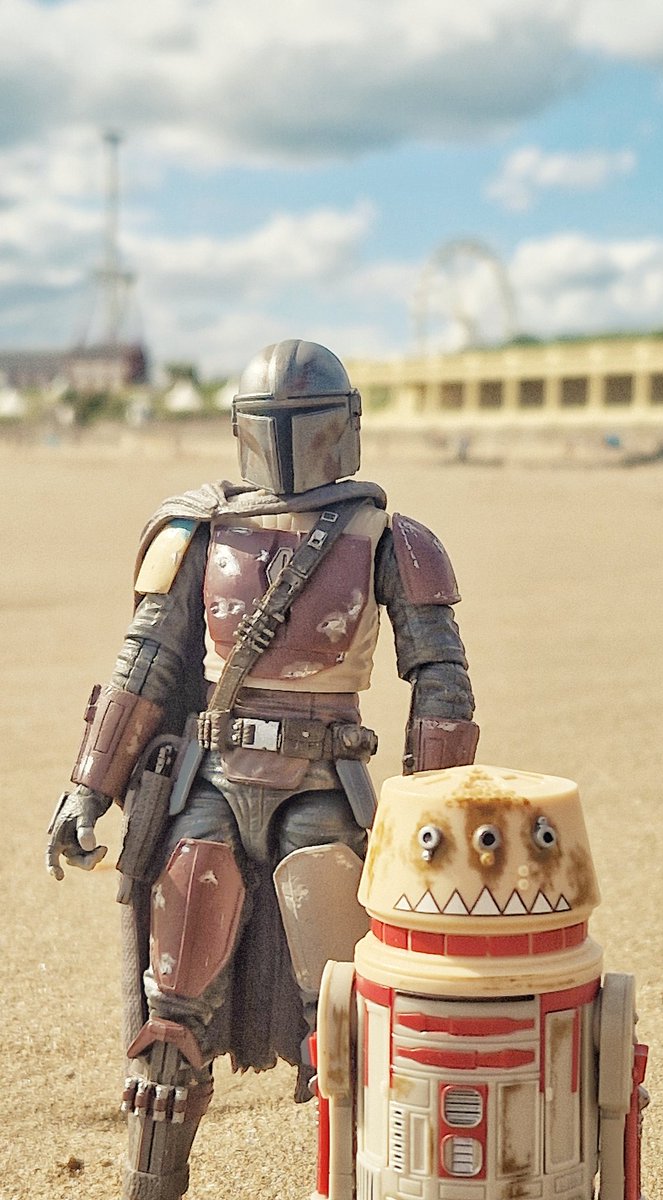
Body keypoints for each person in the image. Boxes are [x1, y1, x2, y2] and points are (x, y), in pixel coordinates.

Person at [46, 339, 478, 1200]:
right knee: (169, 1024)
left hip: (324, 790)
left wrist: (424, 813)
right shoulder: (200, 530)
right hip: (211, 785)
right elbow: (149, 665)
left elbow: (441, 679)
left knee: (349, 1032)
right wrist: (88, 786)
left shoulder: (387, 536)